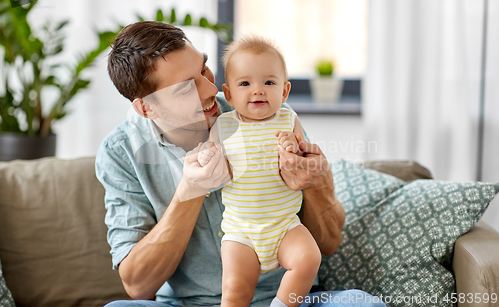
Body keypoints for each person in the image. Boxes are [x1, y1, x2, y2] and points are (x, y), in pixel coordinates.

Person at [96, 20, 386, 307]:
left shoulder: (267, 113)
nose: (211, 90)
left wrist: (317, 184)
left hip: (290, 299)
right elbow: (137, 285)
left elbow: (329, 245)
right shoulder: (120, 152)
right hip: (187, 303)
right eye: (186, 89)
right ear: (146, 107)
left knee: (362, 304)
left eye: (204, 69)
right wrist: (190, 192)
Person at [196, 37, 320, 307]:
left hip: (285, 225)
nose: (258, 91)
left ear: (284, 91)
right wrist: (207, 155)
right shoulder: (223, 124)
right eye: (245, 83)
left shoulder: (289, 119)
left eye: (269, 82)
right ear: (228, 94)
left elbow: (303, 163)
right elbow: (210, 155)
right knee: (235, 289)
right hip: (241, 231)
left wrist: (293, 148)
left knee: (309, 259)